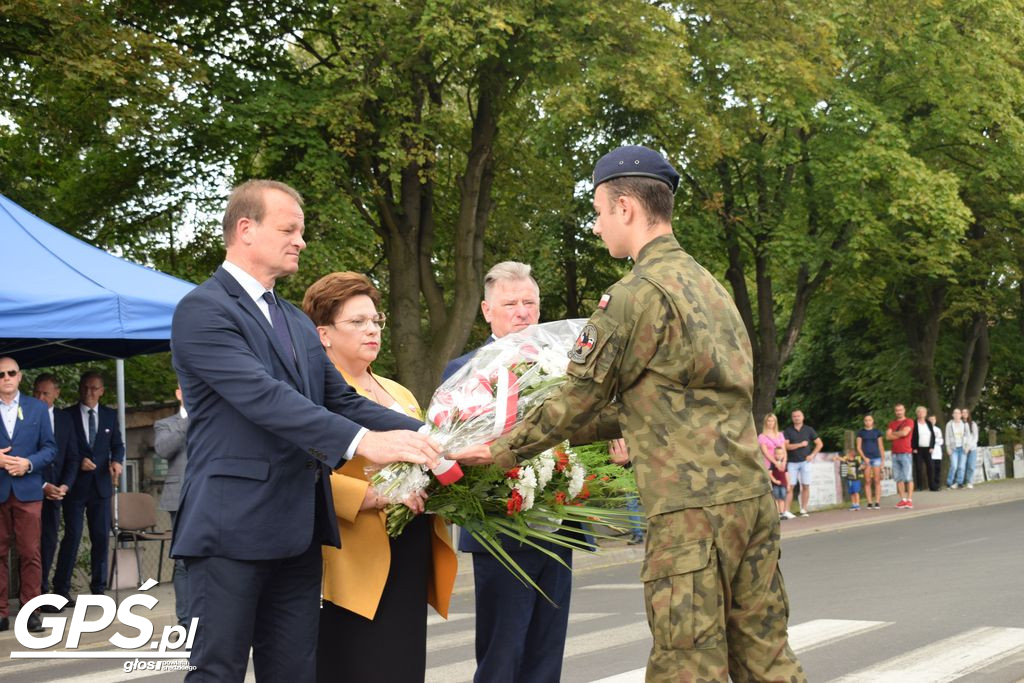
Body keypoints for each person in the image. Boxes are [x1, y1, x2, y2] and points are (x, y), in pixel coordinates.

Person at [452, 146, 805, 681]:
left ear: (625, 209)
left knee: (687, 665)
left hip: (690, 512)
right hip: (750, 499)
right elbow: (665, 400)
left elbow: (577, 401)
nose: (596, 227)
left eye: (597, 212)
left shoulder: (633, 297)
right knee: (767, 658)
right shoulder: (713, 289)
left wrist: (497, 452)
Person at [169, 179, 440, 682]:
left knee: (294, 673)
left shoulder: (294, 320)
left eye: (302, 230)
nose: (301, 240)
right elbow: (265, 399)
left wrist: (440, 439)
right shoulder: (203, 310)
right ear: (246, 230)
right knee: (217, 672)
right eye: (289, 228)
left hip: (297, 533)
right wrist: (365, 444)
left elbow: (341, 399)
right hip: (229, 533)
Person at [302, 271, 457, 682]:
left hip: (411, 544)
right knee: (359, 666)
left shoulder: (399, 392)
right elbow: (302, 474)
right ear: (323, 335)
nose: (372, 330)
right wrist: (374, 496)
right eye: (357, 322)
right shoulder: (312, 398)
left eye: (376, 320)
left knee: (403, 666)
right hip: (353, 554)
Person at [442, 261, 581, 683]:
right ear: (487, 311)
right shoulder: (464, 371)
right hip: (501, 529)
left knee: (546, 654)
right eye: (510, 303)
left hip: (560, 525)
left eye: (529, 302)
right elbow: (453, 449)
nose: (522, 311)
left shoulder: (567, 366)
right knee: (503, 656)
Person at [52, 371, 124, 602]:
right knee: (72, 536)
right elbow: (60, 449)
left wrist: (116, 461)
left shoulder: (109, 415)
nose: (89, 392)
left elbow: (118, 445)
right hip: (74, 485)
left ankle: (99, 588)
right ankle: (61, 589)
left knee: (101, 536)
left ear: (102, 391)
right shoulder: (67, 416)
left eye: (94, 388)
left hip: (100, 486)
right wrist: (78, 460)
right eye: (85, 388)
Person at [0, 357, 56, 633]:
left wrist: (28, 463)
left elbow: (50, 448)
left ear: (20, 376)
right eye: (1, 374)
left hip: (28, 490)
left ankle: (30, 611)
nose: (6, 378)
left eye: (11, 373)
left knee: (30, 552)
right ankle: (0, 613)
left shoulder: (37, 408)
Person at [31, 373, 81, 604]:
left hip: (56, 494)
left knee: (49, 541)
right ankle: (32, 595)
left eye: (46, 393)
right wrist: (42, 485)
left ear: (56, 394)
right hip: (30, 491)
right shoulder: (23, 417)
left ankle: (43, 591)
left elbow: (73, 457)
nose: (40, 397)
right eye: (37, 392)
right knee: (29, 546)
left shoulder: (64, 420)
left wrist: (65, 486)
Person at [154, 386, 189, 627]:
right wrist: (191, 418)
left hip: (212, 495)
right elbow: (164, 449)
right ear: (178, 393)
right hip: (180, 498)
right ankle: (186, 620)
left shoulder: (214, 416)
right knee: (183, 560)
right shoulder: (166, 424)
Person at [783, 410, 822, 517]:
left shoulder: (809, 430)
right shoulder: (788, 430)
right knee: (790, 486)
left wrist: (812, 455)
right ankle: (786, 511)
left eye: (798, 416)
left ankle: (804, 509)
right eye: (794, 416)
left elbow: (819, 444)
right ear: (792, 418)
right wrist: (800, 444)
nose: (796, 418)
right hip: (792, 462)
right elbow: (786, 446)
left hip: (805, 462)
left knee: (805, 485)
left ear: (803, 417)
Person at [609, 438, 644, 543]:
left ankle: (638, 534)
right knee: (632, 503)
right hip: (629, 468)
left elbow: (617, 458)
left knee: (632, 503)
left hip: (628, 467)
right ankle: (637, 534)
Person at [758, 414, 789, 519]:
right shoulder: (762, 436)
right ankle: (772, 512)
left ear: (775, 422)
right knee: (772, 489)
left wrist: (784, 461)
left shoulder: (780, 435)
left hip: (781, 465)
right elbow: (765, 452)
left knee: (783, 488)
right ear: (765, 422)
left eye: (772, 421)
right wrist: (775, 463)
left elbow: (784, 449)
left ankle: (783, 511)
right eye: (769, 421)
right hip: (769, 464)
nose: (770, 423)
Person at [886, 404, 915, 509]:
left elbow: (905, 433)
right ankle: (903, 500)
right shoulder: (892, 423)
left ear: (904, 410)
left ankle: (909, 500)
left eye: (900, 410)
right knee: (898, 478)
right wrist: (899, 433)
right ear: (895, 412)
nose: (898, 412)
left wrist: (894, 433)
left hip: (906, 452)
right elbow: (887, 437)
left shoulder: (909, 421)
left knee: (908, 477)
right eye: (897, 410)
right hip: (895, 453)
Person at [856, 415, 884, 510]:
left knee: (877, 480)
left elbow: (881, 447)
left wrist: (882, 460)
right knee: (867, 480)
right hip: (866, 459)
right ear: (864, 422)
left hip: (876, 458)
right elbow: (858, 447)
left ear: (873, 421)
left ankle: (877, 501)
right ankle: (869, 502)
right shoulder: (861, 433)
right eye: (866, 420)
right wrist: (864, 457)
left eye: (870, 420)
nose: (868, 422)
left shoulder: (877, 432)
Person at [910, 406, 936, 492]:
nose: (921, 413)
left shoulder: (928, 423)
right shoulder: (914, 423)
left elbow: (932, 435)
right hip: (918, 449)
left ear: (925, 413)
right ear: (917, 413)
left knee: (930, 467)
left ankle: (932, 486)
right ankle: (919, 486)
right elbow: (912, 437)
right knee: (918, 468)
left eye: (923, 412)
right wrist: (913, 447)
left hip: (928, 449)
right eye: (919, 412)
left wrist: (932, 446)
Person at [945, 408, 967, 488]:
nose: (957, 415)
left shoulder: (965, 424)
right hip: (953, 448)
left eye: (958, 413)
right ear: (953, 415)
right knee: (954, 466)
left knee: (961, 466)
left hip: (963, 448)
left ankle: (959, 482)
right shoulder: (949, 424)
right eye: (955, 413)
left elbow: (967, 436)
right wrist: (948, 447)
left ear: (961, 415)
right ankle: (949, 482)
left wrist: (967, 447)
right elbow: (947, 436)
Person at [962, 408, 980, 489]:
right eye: (963, 412)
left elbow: (975, 437)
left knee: (971, 466)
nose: (964, 413)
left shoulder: (973, 424)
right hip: (962, 448)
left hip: (972, 448)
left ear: (969, 414)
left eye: (966, 412)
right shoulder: (959, 424)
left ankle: (970, 482)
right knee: (962, 466)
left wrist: (969, 447)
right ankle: (961, 482)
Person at [927, 414, 943, 492]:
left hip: (938, 452)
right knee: (931, 469)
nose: (932, 421)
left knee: (937, 469)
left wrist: (934, 440)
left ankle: (937, 485)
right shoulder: (926, 429)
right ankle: (932, 485)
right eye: (930, 419)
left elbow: (941, 441)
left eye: (933, 419)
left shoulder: (938, 429)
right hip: (930, 452)